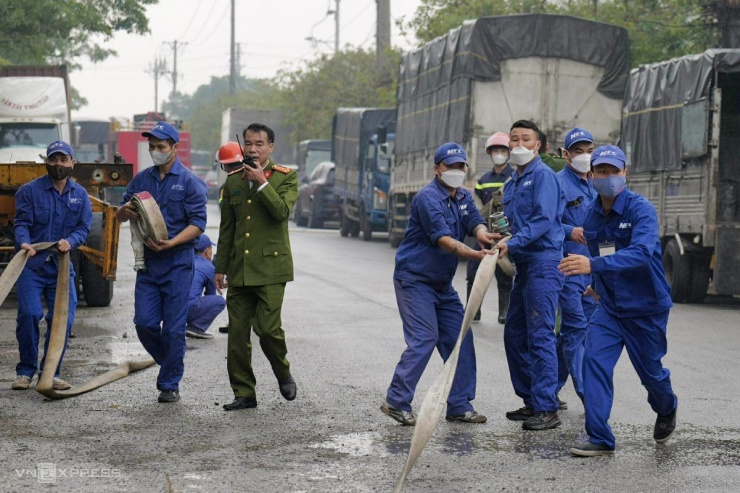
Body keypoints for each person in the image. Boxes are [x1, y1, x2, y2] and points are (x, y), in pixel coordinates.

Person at [560, 145, 678, 456]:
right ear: (592, 174)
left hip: (646, 307)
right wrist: (596, 284)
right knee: (594, 362)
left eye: (614, 171)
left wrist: (592, 268)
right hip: (610, 307)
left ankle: (667, 408)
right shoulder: (591, 214)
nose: (608, 177)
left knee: (651, 373)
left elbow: (641, 254)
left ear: (625, 173)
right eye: (602, 172)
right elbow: (602, 251)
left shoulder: (641, 209)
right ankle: (599, 437)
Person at [381, 142, 498, 426]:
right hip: (414, 280)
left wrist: (482, 234)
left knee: (460, 337)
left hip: (441, 285)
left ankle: (459, 404)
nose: (456, 172)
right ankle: (396, 401)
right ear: (437, 169)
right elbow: (445, 240)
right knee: (424, 338)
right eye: (450, 167)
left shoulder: (462, 195)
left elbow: (474, 220)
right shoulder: (427, 198)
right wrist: (476, 254)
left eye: (461, 166)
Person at [116, 121, 207, 403]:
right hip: (149, 263)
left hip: (178, 262)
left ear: (174, 148)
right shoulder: (142, 179)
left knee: (174, 328)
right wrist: (124, 211)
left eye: (161, 147)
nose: (155, 151)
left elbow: (198, 225)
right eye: (151, 146)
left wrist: (172, 242)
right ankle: (171, 362)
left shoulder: (190, 182)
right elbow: (120, 214)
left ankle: (169, 383)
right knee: (144, 323)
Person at [214, 127, 299, 411]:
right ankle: (244, 392)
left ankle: (282, 371)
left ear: (270, 147)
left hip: (272, 269)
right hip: (240, 269)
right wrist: (220, 267)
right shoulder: (233, 182)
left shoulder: (286, 177)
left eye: (259, 144)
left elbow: (282, 213)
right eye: (248, 144)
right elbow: (228, 229)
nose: (252, 150)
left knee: (267, 329)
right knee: (237, 335)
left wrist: (262, 183)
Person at [493, 120, 565, 431]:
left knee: (540, 334)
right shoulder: (511, 183)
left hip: (544, 263)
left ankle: (547, 407)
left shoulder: (544, 177)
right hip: (524, 265)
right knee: (514, 334)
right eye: (514, 139)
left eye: (526, 139)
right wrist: (502, 236)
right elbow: (512, 223)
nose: (519, 144)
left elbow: (544, 221)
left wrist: (512, 242)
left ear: (538, 145)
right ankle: (531, 400)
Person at [11, 140, 92, 390]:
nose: (58, 164)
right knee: (30, 314)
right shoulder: (28, 191)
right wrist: (24, 243)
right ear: (46, 161)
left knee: (62, 321)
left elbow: (84, 228)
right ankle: (25, 372)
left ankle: (51, 372)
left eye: (63, 159)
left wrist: (71, 241)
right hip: (32, 265)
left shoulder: (80, 195)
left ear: (72, 163)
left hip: (61, 269)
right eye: (53, 159)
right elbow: (21, 223)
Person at [554, 128, 597, 404]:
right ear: (565, 154)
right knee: (576, 329)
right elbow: (547, 224)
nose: (584, 156)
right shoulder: (556, 184)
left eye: (589, 151)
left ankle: (549, 390)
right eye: (578, 151)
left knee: (577, 332)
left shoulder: (597, 184)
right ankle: (587, 394)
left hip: (593, 270)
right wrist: (571, 231)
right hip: (568, 267)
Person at [466, 131, 514, 324]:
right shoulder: (483, 179)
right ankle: (474, 311)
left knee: (504, 275)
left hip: (504, 234)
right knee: (473, 272)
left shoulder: (514, 176)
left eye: (503, 149)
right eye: (496, 150)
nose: (499, 153)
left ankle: (504, 313)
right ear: (490, 152)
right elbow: (477, 204)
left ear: (509, 153)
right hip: (484, 233)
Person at [185, 234, 226, 340]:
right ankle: (196, 327)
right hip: (187, 309)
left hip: (170, 309)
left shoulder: (183, 260)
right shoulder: (209, 267)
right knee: (219, 301)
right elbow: (211, 295)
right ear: (207, 251)